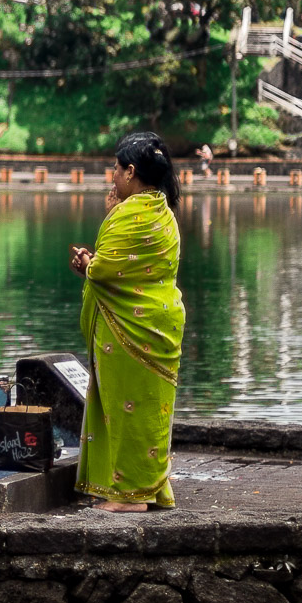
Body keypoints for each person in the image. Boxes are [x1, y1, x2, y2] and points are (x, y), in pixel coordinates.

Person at [68, 132, 186, 513]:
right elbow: (129, 269)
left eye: (116, 169)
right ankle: (150, 489)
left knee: (123, 407)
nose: (112, 176)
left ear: (131, 171)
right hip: (161, 324)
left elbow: (106, 269)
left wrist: (87, 264)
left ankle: (129, 498)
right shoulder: (163, 212)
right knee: (150, 409)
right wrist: (95, 264)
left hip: (129, 331)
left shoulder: (129, 213)